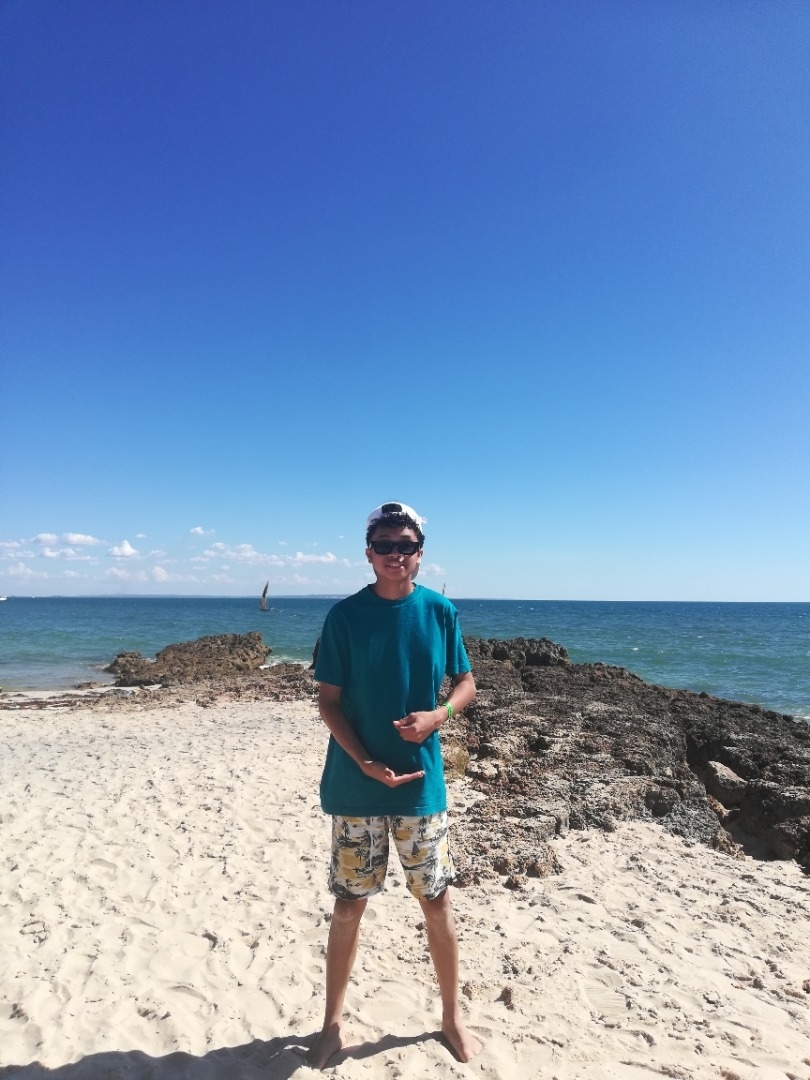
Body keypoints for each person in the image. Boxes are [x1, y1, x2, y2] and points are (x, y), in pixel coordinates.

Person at [309, 501, 482, 1069]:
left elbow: (466, 682)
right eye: (384, 545)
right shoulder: (344, 617)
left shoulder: (439, 611)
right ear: (369, 553)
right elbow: (329, 702)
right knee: (348, 907)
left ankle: (452, 1018)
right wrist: (363, 761)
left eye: (405, 546)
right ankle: (332, 1024)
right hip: (356, 787)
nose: (394, 555)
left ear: (419, 553)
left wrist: (438, 716)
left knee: (436, 902)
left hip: (419, 788)